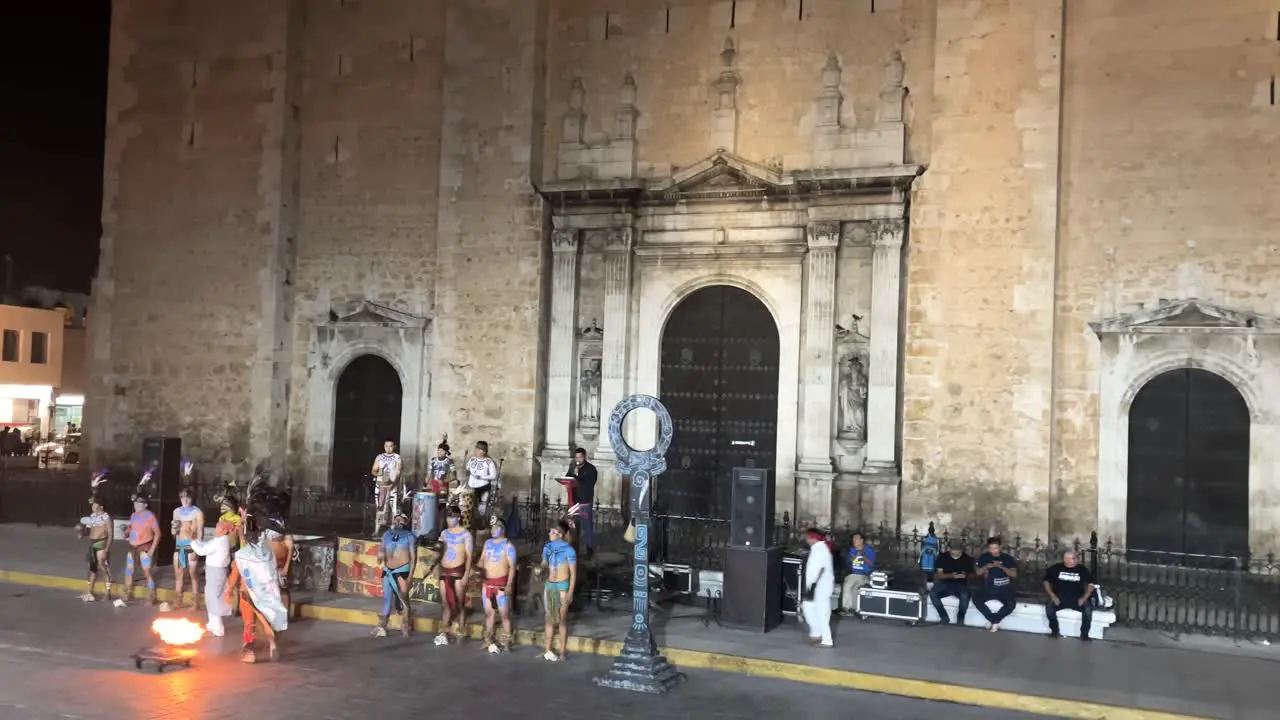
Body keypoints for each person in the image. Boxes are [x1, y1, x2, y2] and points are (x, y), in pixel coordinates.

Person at [225, 520, 288, 663]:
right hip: (266, 593)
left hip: (247, 594)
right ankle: (272, 645)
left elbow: (235, 574)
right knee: (266, 620)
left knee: (249, 623)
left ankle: (250, 653)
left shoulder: (242, 555)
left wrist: (229, 589)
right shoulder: (267, 553)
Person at [433, 507, 474, 646]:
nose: (449, 520)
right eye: (448, 517)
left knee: (460, 604)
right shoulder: (444, 533)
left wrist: (466, 575)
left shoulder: (466, 534)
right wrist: (436, 567)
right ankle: (443, 631)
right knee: (445, 604)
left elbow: (469, 556)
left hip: (458, 572)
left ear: (459, 518)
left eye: (452, 517)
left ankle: (461, 629)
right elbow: (439, 552)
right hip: (445, 571)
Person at [538, 520, 577, 662]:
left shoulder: (569, 550)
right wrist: (540, 568)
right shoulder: (547, 547)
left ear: (559, 534)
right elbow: (544, 562)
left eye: (552, 531)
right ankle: (547, 649)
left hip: (562, 586)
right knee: (549, 619)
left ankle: (562, 652)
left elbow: (573, 573)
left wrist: (570, 592)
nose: (549, 533)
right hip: (550, 585)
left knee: (561, 620)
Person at [373, 512, 417, 637]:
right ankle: (382, 626)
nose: (398, 522)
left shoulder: (410, 536)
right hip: (387, 570)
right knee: (387, 599)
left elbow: (413, 558)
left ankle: (405, 626)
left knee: (404, 600)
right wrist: (380, 556)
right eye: (396, 519)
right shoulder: (386, 535)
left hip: (402, 571)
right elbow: (381, 549)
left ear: (405, 522)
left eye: (401, 520)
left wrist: (410, 577)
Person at [115, 494, 160, 608]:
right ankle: (127, 594)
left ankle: (151, 597)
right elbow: (130, 529)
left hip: (145, 547)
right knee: (129, 571)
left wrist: (152, 550)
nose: (136, 504)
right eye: (135, 502)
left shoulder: (150, 516)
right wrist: (126, 532)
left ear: (145, 504)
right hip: (132, 547)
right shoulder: (133, 515)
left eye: (139, 502)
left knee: (147, 572)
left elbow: (158, 534)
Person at [480, 517, 517, 653]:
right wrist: (477, 569)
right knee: (489, 613)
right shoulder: (487, 543)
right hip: (487, 583)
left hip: (501, 584)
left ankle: (506, 641)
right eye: (492, 527)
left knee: (504, 615)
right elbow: (482, 560)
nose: (493, 530)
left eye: (496, 527)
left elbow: (512, 567)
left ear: (503, 529)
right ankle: (488, 640)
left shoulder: (508, 545)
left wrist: (509, 584)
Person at [190, 521, 233, 636]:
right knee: (211, 597)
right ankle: (213, 623)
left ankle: (218, 628)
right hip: (214, 572)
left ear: (224, 530)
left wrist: (192, 541)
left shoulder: (220, 541)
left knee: (214, 598)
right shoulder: (220, 540)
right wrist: (195, 540)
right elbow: (205, 545)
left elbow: (202, 550)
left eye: (218, 528)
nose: (216, 530)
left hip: (216, 572)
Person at [164, 488, 204, 611]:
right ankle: (178, 600)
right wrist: (173, 531)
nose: (185, 500)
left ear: (192, 498)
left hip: (192, 546)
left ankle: (195, 603)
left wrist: (197, 551)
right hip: (180, 546)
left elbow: (200, 532)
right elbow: (174, 532)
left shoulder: (198, 512)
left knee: (193, 575)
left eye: (187, 497)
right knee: (179, 575)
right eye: (182, 497)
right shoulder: (176, 512)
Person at [1043, 551, 1095, 641]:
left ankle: (1084, 634)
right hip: (1059, 598)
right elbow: (1046, 581)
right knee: (1049, 608)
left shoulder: (1082, 569)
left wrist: (1084, 598)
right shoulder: (1056, 568)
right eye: (1073, 558)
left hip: (1077, 599)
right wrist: (1053, 596)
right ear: (1066, 560)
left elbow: (1090, 585)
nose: (1076, 560)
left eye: (1076, 558)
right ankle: (1054, 631)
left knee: (1088, 609)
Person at [974, 537, 1019, 632]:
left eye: (995, 548)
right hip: (989, 587)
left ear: (1000, 547)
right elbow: (978, 573)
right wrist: (987, 566)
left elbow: (1014, 574)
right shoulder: (984, 557)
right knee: (976, 599)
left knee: (1011, 605)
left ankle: (995, 620)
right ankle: (993, 620)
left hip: (1004, 587)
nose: (993, 551)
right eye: (991, 548)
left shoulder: (1007, 559)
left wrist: (1001, 567)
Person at [801, 528, 836, 648]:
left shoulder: (820, 550)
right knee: (807, 606)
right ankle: (816, 633)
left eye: (808, 537)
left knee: (822, 613)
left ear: (813, 538)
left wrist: (813, 585)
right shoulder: (818, 548)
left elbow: (820, 569)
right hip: (817, 586)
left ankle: (827, 640)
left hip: (820, 586)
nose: (806, 539)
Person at [929, 539, 974, 625]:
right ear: (949, 549)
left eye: (958, 550)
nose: (955, 552)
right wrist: (952, 576)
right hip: (944, 582)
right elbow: (939, 575)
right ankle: (944, 617)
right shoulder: (942, 557)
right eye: (953, 550)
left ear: (962, 550)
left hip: (960, 584)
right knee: (933, 593)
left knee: (965, 595)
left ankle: (960, 618)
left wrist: (966, 575)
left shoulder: (967, 559)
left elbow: (972, 575)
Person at [78, 495, 112, 602]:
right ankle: (90, 591)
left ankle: (108, 593)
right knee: (92, 569)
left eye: (95, 504)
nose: (92, 506)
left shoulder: (106, 517)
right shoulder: (92, 516)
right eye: (92, 504)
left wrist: (106, 549)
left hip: (101, 543)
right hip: (92, 544)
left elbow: (111, 534)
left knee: (104, 567)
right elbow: (88, 531)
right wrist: (82, 533)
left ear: (101, 506)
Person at [565, 448, 597, 557]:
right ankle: (575, 547)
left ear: (584, 457)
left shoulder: (591, 469)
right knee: (574, 525)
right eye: (576, 457)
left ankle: (589, 549)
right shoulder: (573, 467)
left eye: (580, 457)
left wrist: (576, 478)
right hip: (574, 501)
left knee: (587, 526)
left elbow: (589, 483)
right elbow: (567, 477)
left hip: (585, 501)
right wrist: (570, 474)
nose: (578, 459)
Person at [371, 439, 403, 537]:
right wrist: (378, 474)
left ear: (394, 447)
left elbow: (399, 472)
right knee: (380, 507)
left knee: (393, 508)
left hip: (392, 486)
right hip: (380, 486)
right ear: (384, 446)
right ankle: (377, 530)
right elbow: (373, 470)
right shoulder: (379, 457)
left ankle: (392, 530)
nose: (388, 448)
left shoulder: (397, 457)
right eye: (386, 446)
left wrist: (393, 484)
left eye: (390, 446)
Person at [839, 531, 875, 615]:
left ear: (862, 540)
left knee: (856, 588)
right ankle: (845, 608)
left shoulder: (869, 550)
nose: (854, 540)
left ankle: (853, 608)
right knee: (847, 585)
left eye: (856, 538)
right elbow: (848, 563)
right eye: (853, 538)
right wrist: (854, 556)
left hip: (863, 575)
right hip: (853, 574)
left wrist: (863, 556)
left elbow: (871, 564)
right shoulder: (852, 550)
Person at [465, 441, 499, 519]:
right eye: (477, 449)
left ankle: (482, 523)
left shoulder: (489, 462)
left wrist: (482, 477)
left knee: (482, 508)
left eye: (481, 450)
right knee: (470, 506)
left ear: (484, 451)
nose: (478, 451)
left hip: (483, 487)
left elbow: (493, 475)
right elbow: (467, 469)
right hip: (472, 487)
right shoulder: (472, 459)